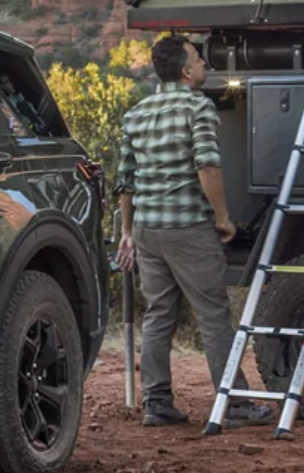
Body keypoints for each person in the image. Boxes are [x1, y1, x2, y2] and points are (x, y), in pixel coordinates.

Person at [114, 36, 275, 428]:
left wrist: (127, 232)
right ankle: (234, 403)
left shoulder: (136, 114)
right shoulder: (198, 107)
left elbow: (125, 181)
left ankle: (157, 403)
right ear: (186, 71)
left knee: (158, 315)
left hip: (148, 230)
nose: (205, 64)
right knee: (214, 316)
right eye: (199, 59)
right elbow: (208, 166)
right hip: (187, 228)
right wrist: (223, 218)